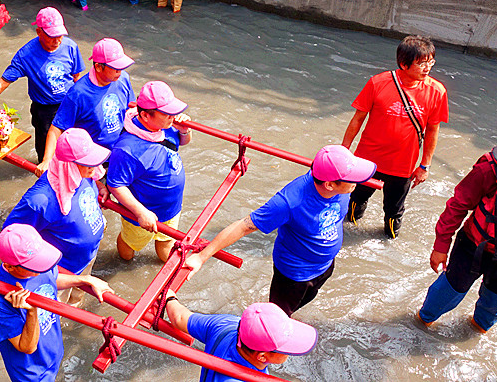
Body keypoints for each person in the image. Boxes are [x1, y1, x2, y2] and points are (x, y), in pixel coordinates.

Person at [186, 145, 376, 316]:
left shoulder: (341, 187)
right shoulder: (289, 202)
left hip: (325, 265)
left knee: (306, 299)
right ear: (329, 184)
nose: (357, 182)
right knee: (277, 317)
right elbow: (243, 226)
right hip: (294, 275)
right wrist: (201, 257)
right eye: (352, 179)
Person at [341, 35, 449, 239]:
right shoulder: (378, 83)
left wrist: (425, 166)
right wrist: (344, 150)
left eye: (431, 62)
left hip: (403, 166)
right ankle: (348, 233)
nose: (428, 68)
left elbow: (433, 131)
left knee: (394, 211)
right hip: (366, 159)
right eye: (422, 63)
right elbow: (358, 118)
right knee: (355, 200)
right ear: (404, 64)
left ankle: (389, 242)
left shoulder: (437, 91)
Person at [417, 139, 497, 334]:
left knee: (489, 315)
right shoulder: (491, 170)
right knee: (441, 299)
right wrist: (441, 245)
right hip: (473, 249)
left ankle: (474, 331)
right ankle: (418, 327)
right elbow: (458, 204)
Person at [0, 223, 112, 381]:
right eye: (33, 265)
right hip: (33, 373)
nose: (41, 268)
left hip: (53, 351)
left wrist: (84, 280)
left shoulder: (40, 266)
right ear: (10, 267)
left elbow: (52, 278)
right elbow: (27, 347)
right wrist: (31, 311)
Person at [3, 128, 110, 305]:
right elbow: (11, 235)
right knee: (57, 309)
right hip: (61, 270)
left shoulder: (86, 173)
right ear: (68, 165)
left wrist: (100, 187)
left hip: (86, 256)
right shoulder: (40, 201)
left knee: (77, 299)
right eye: (87, 163)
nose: (94, 167)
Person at [0, 7, 85, 161]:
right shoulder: (26, 55)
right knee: (45, 154)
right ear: (39, 32)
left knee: (73, 147)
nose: (57, 41)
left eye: (60, 35)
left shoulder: (70, 47)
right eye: (51, 36)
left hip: (68, 104)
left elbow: (77, 78)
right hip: (44, 111)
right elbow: (3, 82)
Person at [108, 81, 192, 262]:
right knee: (129, 248)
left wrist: (184, 131)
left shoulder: (166, 127)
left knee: (165, 245)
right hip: (145, 212)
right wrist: (140, 212)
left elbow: (182, 142)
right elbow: (115, 184)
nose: (173, 116)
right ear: (145, 116)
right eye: (166, 113)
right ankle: (122, 260)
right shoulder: (127, 150)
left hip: (172, 208)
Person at [35, 38, 135, 177]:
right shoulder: (78, 93)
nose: (120, 71)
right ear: (99, 67)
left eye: (121, 67)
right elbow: (57, 128)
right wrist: (46, 160)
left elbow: (131, 110)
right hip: (92, 161)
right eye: (116, 68)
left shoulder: (123, 79)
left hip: (118, 151)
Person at [164, 290, 318, 381]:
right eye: (285, 350)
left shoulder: (228, 324)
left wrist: (169, 298)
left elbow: (180, 318)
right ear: (262, 357)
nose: (289, 353)